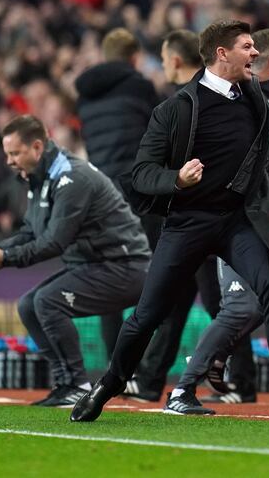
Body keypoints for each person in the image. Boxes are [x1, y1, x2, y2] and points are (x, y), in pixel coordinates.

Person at [71, 19, 269, 423]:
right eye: (246, 47)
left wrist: (265, 205)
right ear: (222, 54)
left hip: (238, 220)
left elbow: (259, 159)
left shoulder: (254, 98)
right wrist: (176, 179)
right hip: (189, 222)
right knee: (148, 314)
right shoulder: (176, 108)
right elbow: (141, 173)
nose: (254, 53)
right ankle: (108, 384)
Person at [170, 27, 269, 407]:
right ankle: (183, 388)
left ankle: (230, 366)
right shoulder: (247, 99)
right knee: (244, 306)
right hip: (242, 220)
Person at [0, 115, 150, 407]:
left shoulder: (70, 177)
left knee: (47, 302)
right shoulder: (41, 176)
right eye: (7, 154)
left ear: (37, 147)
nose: (10, 161)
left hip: (125, 268)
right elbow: (31, 230)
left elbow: (54, 242)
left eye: (15, 153)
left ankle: (77, 384)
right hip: (95, 265)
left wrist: (5, 258)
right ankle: (66, 381)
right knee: (28, 305)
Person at [121, 30, 223, 404]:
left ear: (176, 60)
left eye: (164, 58)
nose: (162, 65)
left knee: (218, 304)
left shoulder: (189, 104)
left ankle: (240, 382)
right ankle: (149, 380)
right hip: (185, 214)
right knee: (175, 301)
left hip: (202, 215)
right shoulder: (179, 103)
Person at [75, 27, 160, 363]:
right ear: (134, 57)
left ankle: (115, 367)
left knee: (110, 279)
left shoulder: (85, 94)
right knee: (152, 275)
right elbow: (157, 134)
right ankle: (144, 364)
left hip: (100, 194)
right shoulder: (140, 85)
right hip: (138, 191)